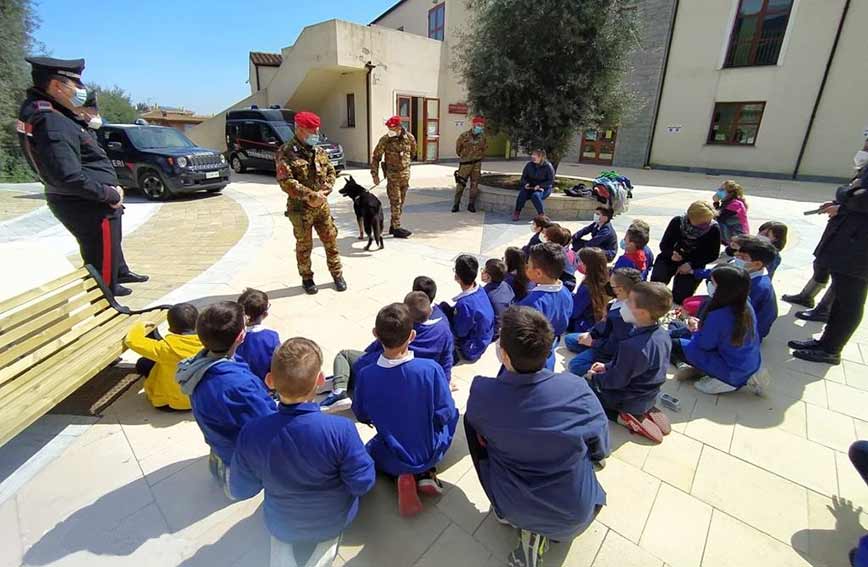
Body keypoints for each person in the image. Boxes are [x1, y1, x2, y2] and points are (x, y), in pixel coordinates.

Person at [465, 306, 608, 567]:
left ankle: (521, 521)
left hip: (513, 506)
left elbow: (478, 431)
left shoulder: (483, 393)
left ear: (504, 355)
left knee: (473, 426)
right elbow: (600, 445)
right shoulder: (576, 388)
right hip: (576, 511)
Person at [230, 338, 375, 567]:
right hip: (333, 518)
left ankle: (284, 543)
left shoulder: (251, 433)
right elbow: (362, 482)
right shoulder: (341, 430)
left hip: (279, 520)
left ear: (270, 381)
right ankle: (324, 544)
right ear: (319, 380)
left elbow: (241, 489)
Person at [17, 57, 148, 297]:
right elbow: (67, 175)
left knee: (108, 250)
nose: (81, 91)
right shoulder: (51, 120)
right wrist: (109, 193)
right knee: (99, 258)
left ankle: (118, 274)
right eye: (76, 85)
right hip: (87, 202)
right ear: (57, 86)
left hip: (89, 200)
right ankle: (106, 304)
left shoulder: (54, 113)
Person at [352, 303, 458, 517]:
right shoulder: (431, 370)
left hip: (391, 453)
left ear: (375, 335)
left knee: (373, 447)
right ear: (412, 336)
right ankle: (425, 471)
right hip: (431, 450)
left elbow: (361, 413)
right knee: (454, 415)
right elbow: (445, 411)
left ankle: (401, 476)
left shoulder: (366, 375)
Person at [176, 302, 277, 496]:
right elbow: (268, 423)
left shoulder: (200, 363)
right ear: (241, 336)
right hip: (242, 463)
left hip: (221, 440)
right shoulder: (238, 385)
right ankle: (239, 480)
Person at [789, 150, 868, 365]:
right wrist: (847, 198)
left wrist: (846, 194)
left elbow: (859, 197)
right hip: (851, 244)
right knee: (842, 299)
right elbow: (854, 196)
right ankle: (826, 343)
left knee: (850, 301)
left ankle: (831, 350)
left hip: (859, 251)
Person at [320, 290, 457, 412]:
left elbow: (361, 411)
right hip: (406, 387)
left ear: (376, 333)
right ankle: (340, 380)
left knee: (345, 356)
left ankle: (339, 390)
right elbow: (447, 360)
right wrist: (444, 384)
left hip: (376, 374)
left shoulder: (396, 329)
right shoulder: (443, 334)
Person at [587, 282, 673, 443]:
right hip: (648, 391)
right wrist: (606, 366)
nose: (624, 304)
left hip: (627, 397)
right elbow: (629, 366)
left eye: (629, 302)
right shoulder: (662, 333)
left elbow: (616, 381)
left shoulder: (633, 347)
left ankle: (623, 417)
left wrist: (594, 378)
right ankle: (643, 408)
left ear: (641, 313)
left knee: (585, 390)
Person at [276, 111, 346, 295]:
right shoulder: (285, 152)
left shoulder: (319, 151)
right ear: (299, 129)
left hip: (322, 207)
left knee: (331, 241)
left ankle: (337, 274)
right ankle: (307, 278)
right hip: (300, 209)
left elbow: (331, 172)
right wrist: (310, 196)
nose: (315, 135)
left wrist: (324, 192)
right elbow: (286, 181)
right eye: (311, 131)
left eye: (317, 131)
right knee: (304, 245)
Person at [671, 265, 763, 394]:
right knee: (675, 327)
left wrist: (695, 329)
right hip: (746, 362)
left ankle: (689, 367)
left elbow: (704, 344)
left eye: (713, 283)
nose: (709, 284)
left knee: (670, 342)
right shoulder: (745, 304)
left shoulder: (720, 314)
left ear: (725, 289)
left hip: (728, 368)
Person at [564, 267, 642, 377]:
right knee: (569, 340)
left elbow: (615, 345)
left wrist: (593, 343)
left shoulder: (625, 316)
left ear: (620, 289)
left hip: (609, 350)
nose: (609, 286)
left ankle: (607, 368)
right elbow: (603, 324)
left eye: (612, 284)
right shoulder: (617, 301)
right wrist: (591, 334)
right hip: (603, 338)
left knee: (575, 366)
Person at [124, 303, 201, 411]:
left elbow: (132, 341)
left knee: (143, 363)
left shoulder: (165, 348)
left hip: (170, 403)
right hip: (199, 401)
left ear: (171, 329)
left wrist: (140, 327)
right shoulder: (208, 343)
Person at [650, 201, 721, 304]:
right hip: (671, 257)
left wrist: (691, 264)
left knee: (681, 295)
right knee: (657, 283)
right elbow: (664, 245)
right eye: (702, 222)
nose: (705, 224)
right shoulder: (677, 222)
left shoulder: (713, 229)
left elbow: (712, 254)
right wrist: (672, 254)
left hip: (693, 263)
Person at [518, 243, 574, 369]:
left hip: (530, 359)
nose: (526, 267)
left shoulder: (531, 303)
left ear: (538, 273)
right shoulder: (566, 292)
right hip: (550, 349)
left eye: (528, 265)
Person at [440, 255, 496, 363]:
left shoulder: (464, 304)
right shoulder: (479, 289)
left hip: (471, 349)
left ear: (457, 276)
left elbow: (460, 332)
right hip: (484, 337)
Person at [370, 115, 416, 238]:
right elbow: (376, 158)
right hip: (392, 175)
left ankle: (393, 225)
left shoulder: (409, 138)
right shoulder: (385, 140)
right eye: (389, 128)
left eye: (393, 128)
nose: (390, 130)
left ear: (399, 127)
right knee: (396, 201)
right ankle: (396, 228)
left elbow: (412, 153)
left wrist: (404, 164)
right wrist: (375, 174)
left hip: (405, 175)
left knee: (401, 203)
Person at [732, 236, 778, 341]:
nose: (736, 258)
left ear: (757, 264)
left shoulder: (758, 287)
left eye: (743, 258)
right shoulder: (749, 271)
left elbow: (742, 313)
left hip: (749, 332)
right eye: (737, 254)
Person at [235, 288, 281, 382]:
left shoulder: (233, 335)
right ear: (265, 314)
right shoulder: (271, 336)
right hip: (266, 384)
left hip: (242, 381)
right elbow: (279, 362)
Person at [569, 248, 612, 334]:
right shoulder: (607, 279)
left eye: (580, 262)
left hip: (583, 325)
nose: (579, 264)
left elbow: (573, 312)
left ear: (587, 265)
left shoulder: (587, 287)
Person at [453, 116, 488, 213]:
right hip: (465, 164)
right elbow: (458, 149)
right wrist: (465, 157)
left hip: (476, 164)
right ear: (473, 124)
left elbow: (484, 149)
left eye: (482, 126)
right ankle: (456, 204)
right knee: (461, 184)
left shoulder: (483, 137)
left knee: (474, 185)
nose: (480, 127)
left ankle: (471, 204)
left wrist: (479, 157)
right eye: (478, 125)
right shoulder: (464, 136)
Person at [512, 149, 555, 220]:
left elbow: (550, 181)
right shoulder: (529, 165)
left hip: (544, 188)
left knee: (535, 195)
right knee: (522, 193)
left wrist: (540, 186)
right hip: (530, 187)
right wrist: (526, 184)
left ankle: (541, 215)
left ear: (541, 157)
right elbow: (523, 177)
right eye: (533, 155)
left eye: (535, 156)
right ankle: (517, 212)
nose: (533, 157)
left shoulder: (548, 166)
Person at [482, 258, 515, 337]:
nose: (482, 272)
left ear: (489, 277)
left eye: (484, 270)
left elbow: (498, 324)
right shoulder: (506, 285)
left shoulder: (488, 296)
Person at [713, 180, 750, 244]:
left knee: (711, 225)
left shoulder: (736, 204)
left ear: (731, 193)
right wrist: (716, 203)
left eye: (722, 190)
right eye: (719, 189)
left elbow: (720, 218)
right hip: (731, 232)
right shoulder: (727, 202)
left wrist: (716, 203)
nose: (719, 192)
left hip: (739, 237)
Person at [543, 224, 578, 291]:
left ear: (552, 240)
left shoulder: (556, 255)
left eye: (546, 236)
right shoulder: (571, 252)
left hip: (561, 287)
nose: (544, 237)